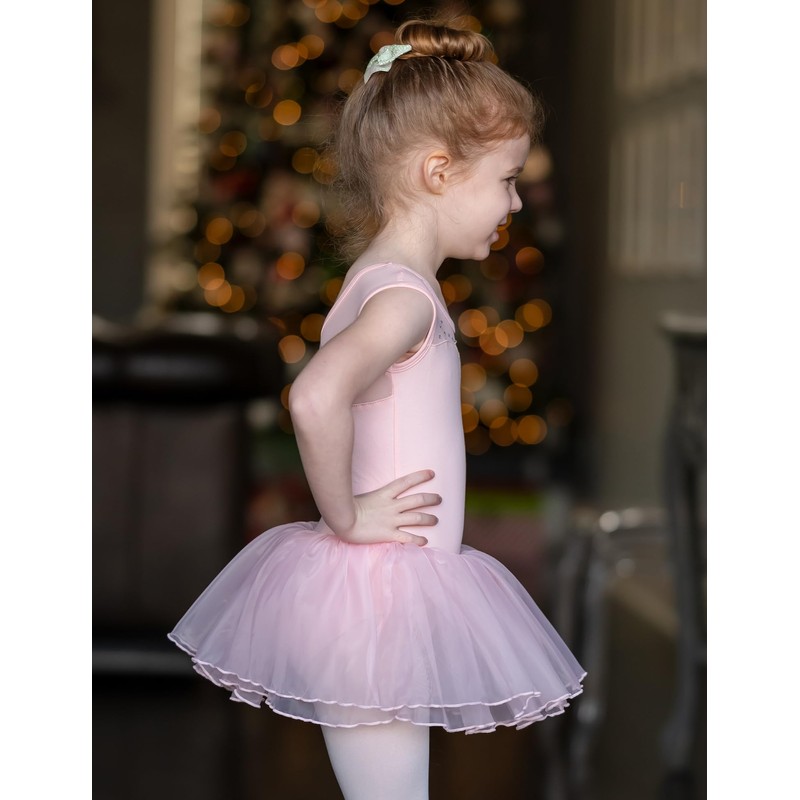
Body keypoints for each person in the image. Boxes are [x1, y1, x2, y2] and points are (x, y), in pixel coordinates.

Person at [169, 14, 586, 800]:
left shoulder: (384, 280)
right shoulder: (403, 300)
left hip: (385, 597)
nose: (514, 203)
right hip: (378, 604)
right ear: (438, 171)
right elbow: (314, 395)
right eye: (506, 179)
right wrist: (347, 517)